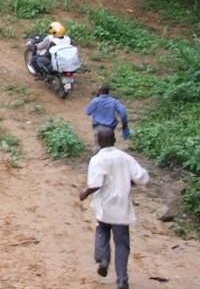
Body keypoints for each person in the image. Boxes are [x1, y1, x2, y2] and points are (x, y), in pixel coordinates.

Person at [79, 127, 149, 289]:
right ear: (114, 140)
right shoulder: (125, 158)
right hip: (122, 207)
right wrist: (130, 181)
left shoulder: (97, 160)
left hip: (106, 206)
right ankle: (122, 280)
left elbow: (96, 183)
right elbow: (142, 177)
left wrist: (84, 193)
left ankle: (103, 259)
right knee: (122, 244)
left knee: (102, 230)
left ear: (98, 141)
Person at [87, 85, 131, 150]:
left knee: (97, 146)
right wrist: (125, 126)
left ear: (99, 92)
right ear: (108, 92)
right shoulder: (114, 101)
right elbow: (123, 113)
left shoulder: (95, 101)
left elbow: (88, 112)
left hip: (98, 127)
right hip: (110, 127)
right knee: (110, 146)